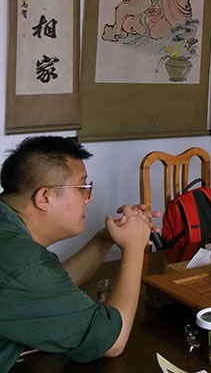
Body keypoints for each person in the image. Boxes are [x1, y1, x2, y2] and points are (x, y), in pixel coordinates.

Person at [0, 136, 159, 370]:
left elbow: (46, 285)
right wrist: (134, 248)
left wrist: (104, 239)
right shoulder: (22, 261)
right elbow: (112, 341)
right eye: (83, 188)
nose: (89, 198)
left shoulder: (9, 235)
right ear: (44, 197)